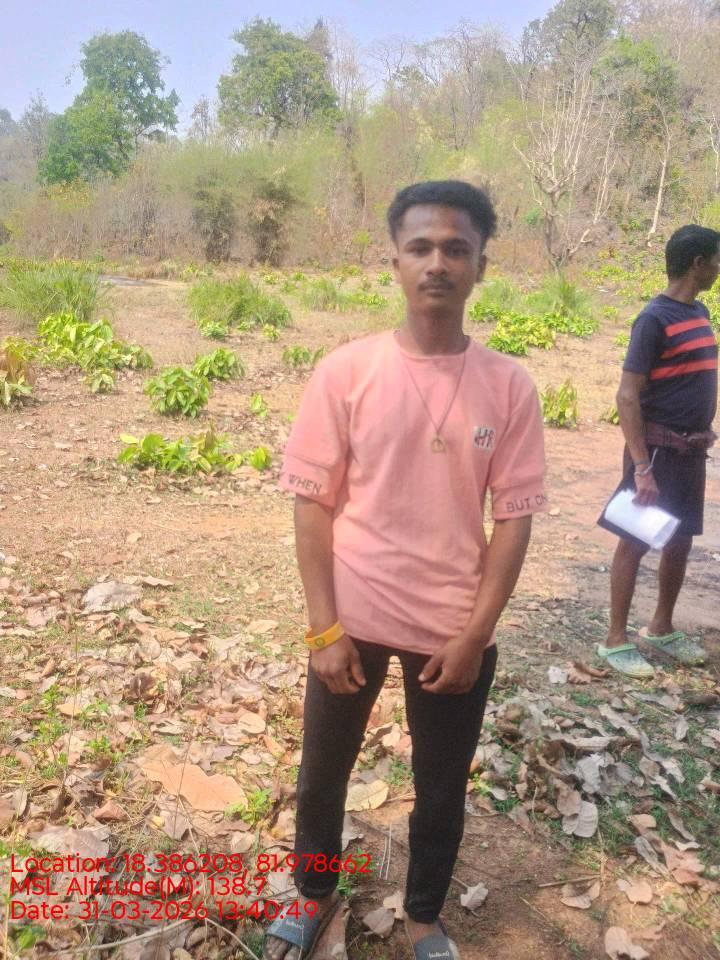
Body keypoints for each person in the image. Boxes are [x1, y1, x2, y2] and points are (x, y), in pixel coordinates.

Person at [265, 180, 547, 960]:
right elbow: (312, 506)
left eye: (457, 248)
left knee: (441, 784)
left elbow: (514, 518)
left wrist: (476, 634)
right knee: (323, 774)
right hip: (350, 617)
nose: (437, 263)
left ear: (482, 265)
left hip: (452, 626)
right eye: (420, 247)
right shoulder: (346, 372)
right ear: (393, 261)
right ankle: (315, 892)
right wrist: (323, 629)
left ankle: (423, 916)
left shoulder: (509, 385)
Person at [597, 224, 719, 678]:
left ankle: (661, 626)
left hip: (689, 452)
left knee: (680, 539)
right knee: (635, 540)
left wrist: (703, 428)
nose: (719, 268)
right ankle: (615, 638)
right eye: (717, 260)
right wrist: (641, 466)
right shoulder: (653, 320)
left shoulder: (700, 311)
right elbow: (627, 396)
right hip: (656, 454)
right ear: (698, 263)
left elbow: (690, 380)